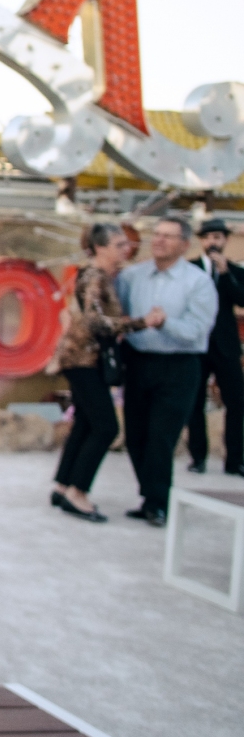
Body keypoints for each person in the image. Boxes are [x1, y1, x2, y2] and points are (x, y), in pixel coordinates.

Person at [51, 223, 159, 522]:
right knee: (105, 427)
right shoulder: (95, 277)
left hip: (85, 359)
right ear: (100, 248)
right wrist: (142, 322)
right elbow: (96, 322)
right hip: (83, 359)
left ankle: (63, 486)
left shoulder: (100, 275)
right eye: (119, 244)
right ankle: (78, 492)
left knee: (86, 423)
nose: (126, 249)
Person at [115, 215, 218, 526]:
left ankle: (158, 503)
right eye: (157, 234)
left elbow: (198, 330)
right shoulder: (132, 276)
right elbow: (119, 315)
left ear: (185, 245)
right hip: (138, 363)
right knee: (136, 436)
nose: (159, 240)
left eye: (168, 236)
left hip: (179, 366)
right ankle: (150, 495)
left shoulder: (198, 282)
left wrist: (165, 323)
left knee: (161, 436)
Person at [183, 219, 244, 474]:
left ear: (225, 240)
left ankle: (235, 460)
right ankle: (198, 457)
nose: (213, 242)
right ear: (201, 241)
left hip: (225, 345)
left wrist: (225, 273)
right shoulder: (189, 269)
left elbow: (241, 300)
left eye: (217, 237)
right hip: (197, 344)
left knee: (237, 402)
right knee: (194, 401)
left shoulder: (235, 271)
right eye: (208, 237)